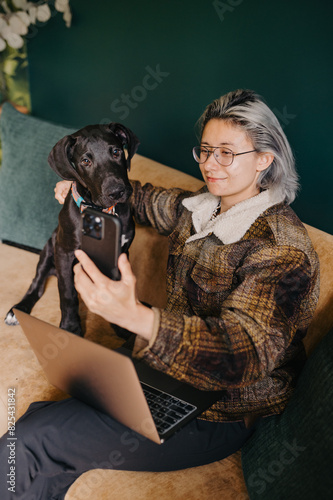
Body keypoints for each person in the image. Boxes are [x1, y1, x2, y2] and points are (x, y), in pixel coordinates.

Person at [0, 89, 319, 499]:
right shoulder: (204, 208)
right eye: (204, 151)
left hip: (219, 413)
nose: (210, 164)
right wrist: (82, 189)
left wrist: (136, 317)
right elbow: (141, 198)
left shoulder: (283, 248)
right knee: (39, 417)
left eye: (226, 152)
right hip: (167, 375)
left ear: (264, 158)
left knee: (35, 438)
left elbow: (247, 352)